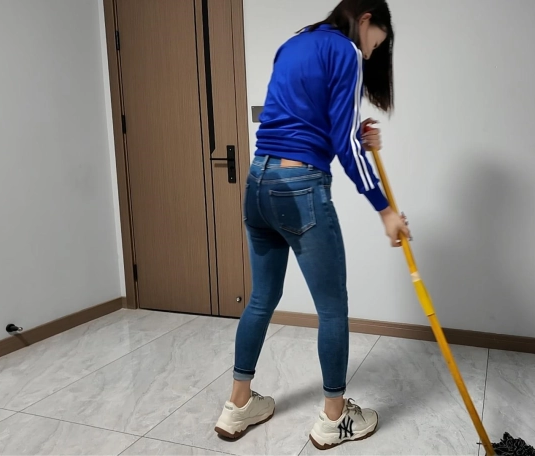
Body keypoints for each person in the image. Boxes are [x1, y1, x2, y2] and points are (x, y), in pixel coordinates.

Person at [214, 0, 409, 450]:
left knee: (261, 297)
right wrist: (385, 210)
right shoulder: (346, 51)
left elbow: (301, 120)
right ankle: (334, 418)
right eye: (375, 43)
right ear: (365, 20)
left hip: (259, 181)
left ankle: (237, 405)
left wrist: (354, 133)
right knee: (332, 308)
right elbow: (340, 144)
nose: (371, 53)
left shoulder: (295, 43)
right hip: (300, 188)